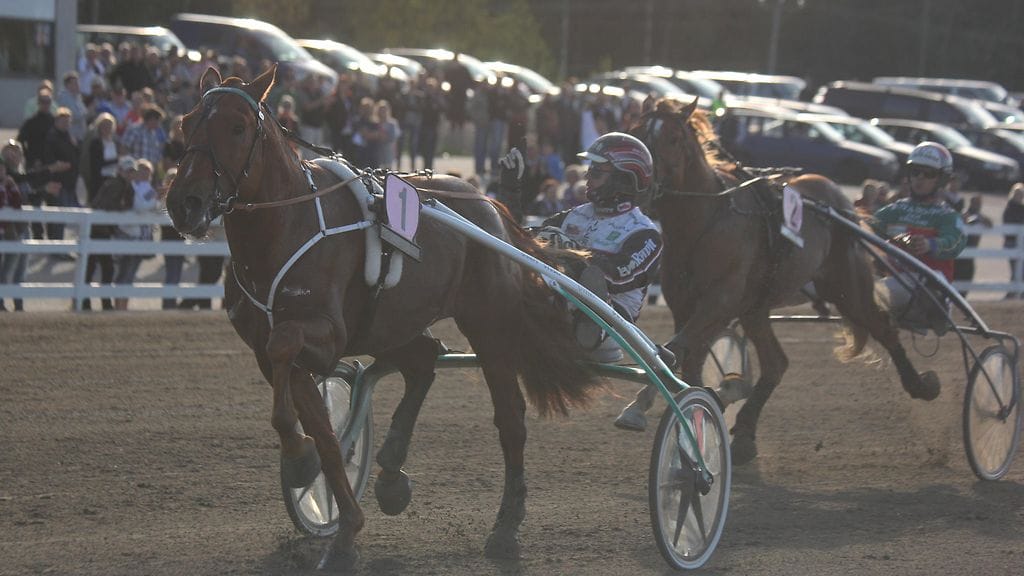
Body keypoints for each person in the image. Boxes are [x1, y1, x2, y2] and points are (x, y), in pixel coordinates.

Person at [501, 132, 663, 364]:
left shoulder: (644, 233)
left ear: (623, 178)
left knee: (591, 278)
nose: (587, 176)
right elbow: (520, 241)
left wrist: (571, 253)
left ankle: (587, 323)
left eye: (596, 171)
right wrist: (510, 191)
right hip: (559, 310)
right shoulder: (574, 216)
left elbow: (617, 277)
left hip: (612, 326)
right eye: (589, 169)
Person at [870, 141, 966, 335]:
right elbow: (866, 228)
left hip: (929, 287)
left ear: (941, 179)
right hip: (896, 282)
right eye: (915, 172)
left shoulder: (947, 216)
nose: (919, 178)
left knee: (866, 292)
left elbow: (955, 243)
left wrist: (930, 245)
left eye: (928, 173)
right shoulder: (895, 210)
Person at [953, 195, 992, 298]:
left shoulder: (979, 216)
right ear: (971, 203)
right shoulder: (964, 213)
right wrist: (967, 219)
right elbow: (959, 222)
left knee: (967, 279)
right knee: (957, 277)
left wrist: (980, 218)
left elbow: (990, 224)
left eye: (979, 203)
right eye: (975, 203)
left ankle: (962, 299)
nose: (977, 205)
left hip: (970, 256)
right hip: (960, 253)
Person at [1002, 182, 1024, 299]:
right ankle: (1012, 294)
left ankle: (1015, 294)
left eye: (1021, 194)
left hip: (1021, 244)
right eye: (1017, 194)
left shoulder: (1021, 208)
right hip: (1012, 243)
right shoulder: (1009, 208)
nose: (1019, 196)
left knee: (1020, 270)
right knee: (1016, 269)